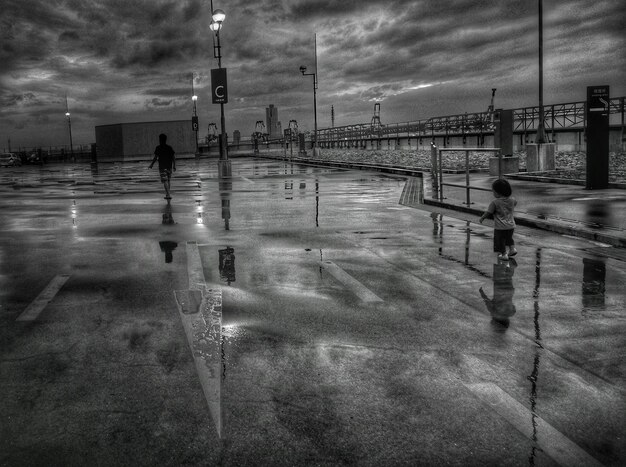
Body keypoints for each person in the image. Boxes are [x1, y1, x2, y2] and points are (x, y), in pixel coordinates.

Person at [479, 179, 518, 261]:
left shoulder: (495, 202)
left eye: (493, 191)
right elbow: (515, 203)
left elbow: (488, 212)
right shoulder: (512, 200)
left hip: (500, 227)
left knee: (500, 241)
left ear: (498, 192)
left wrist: (482, 218)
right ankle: (512, 249)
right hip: (511, 225)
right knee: (509, 238)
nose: (493, 193)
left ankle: (504, 254)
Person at [149, 133, 176, 200]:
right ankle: (167, 194)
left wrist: (151, 164)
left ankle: (168, 194)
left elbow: (155, 157)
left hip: (162, 167)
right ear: (166, 140)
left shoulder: (158, 148)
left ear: (160, 140)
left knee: (165, 181)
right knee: (168, 180)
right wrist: (174, 165)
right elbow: (173, 157)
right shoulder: (169, 148)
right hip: (169, 166)